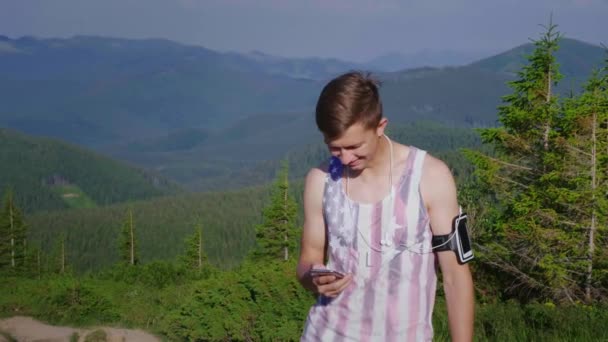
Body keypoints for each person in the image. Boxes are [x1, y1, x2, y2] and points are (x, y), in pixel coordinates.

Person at [296, 71, 474, 341]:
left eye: (355, 146)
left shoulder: (429, 176)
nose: (345, 158)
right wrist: (313, 277)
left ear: (380, 126)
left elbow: (455, 275)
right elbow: (308, 260)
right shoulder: (320, 181)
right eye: (334, 148)